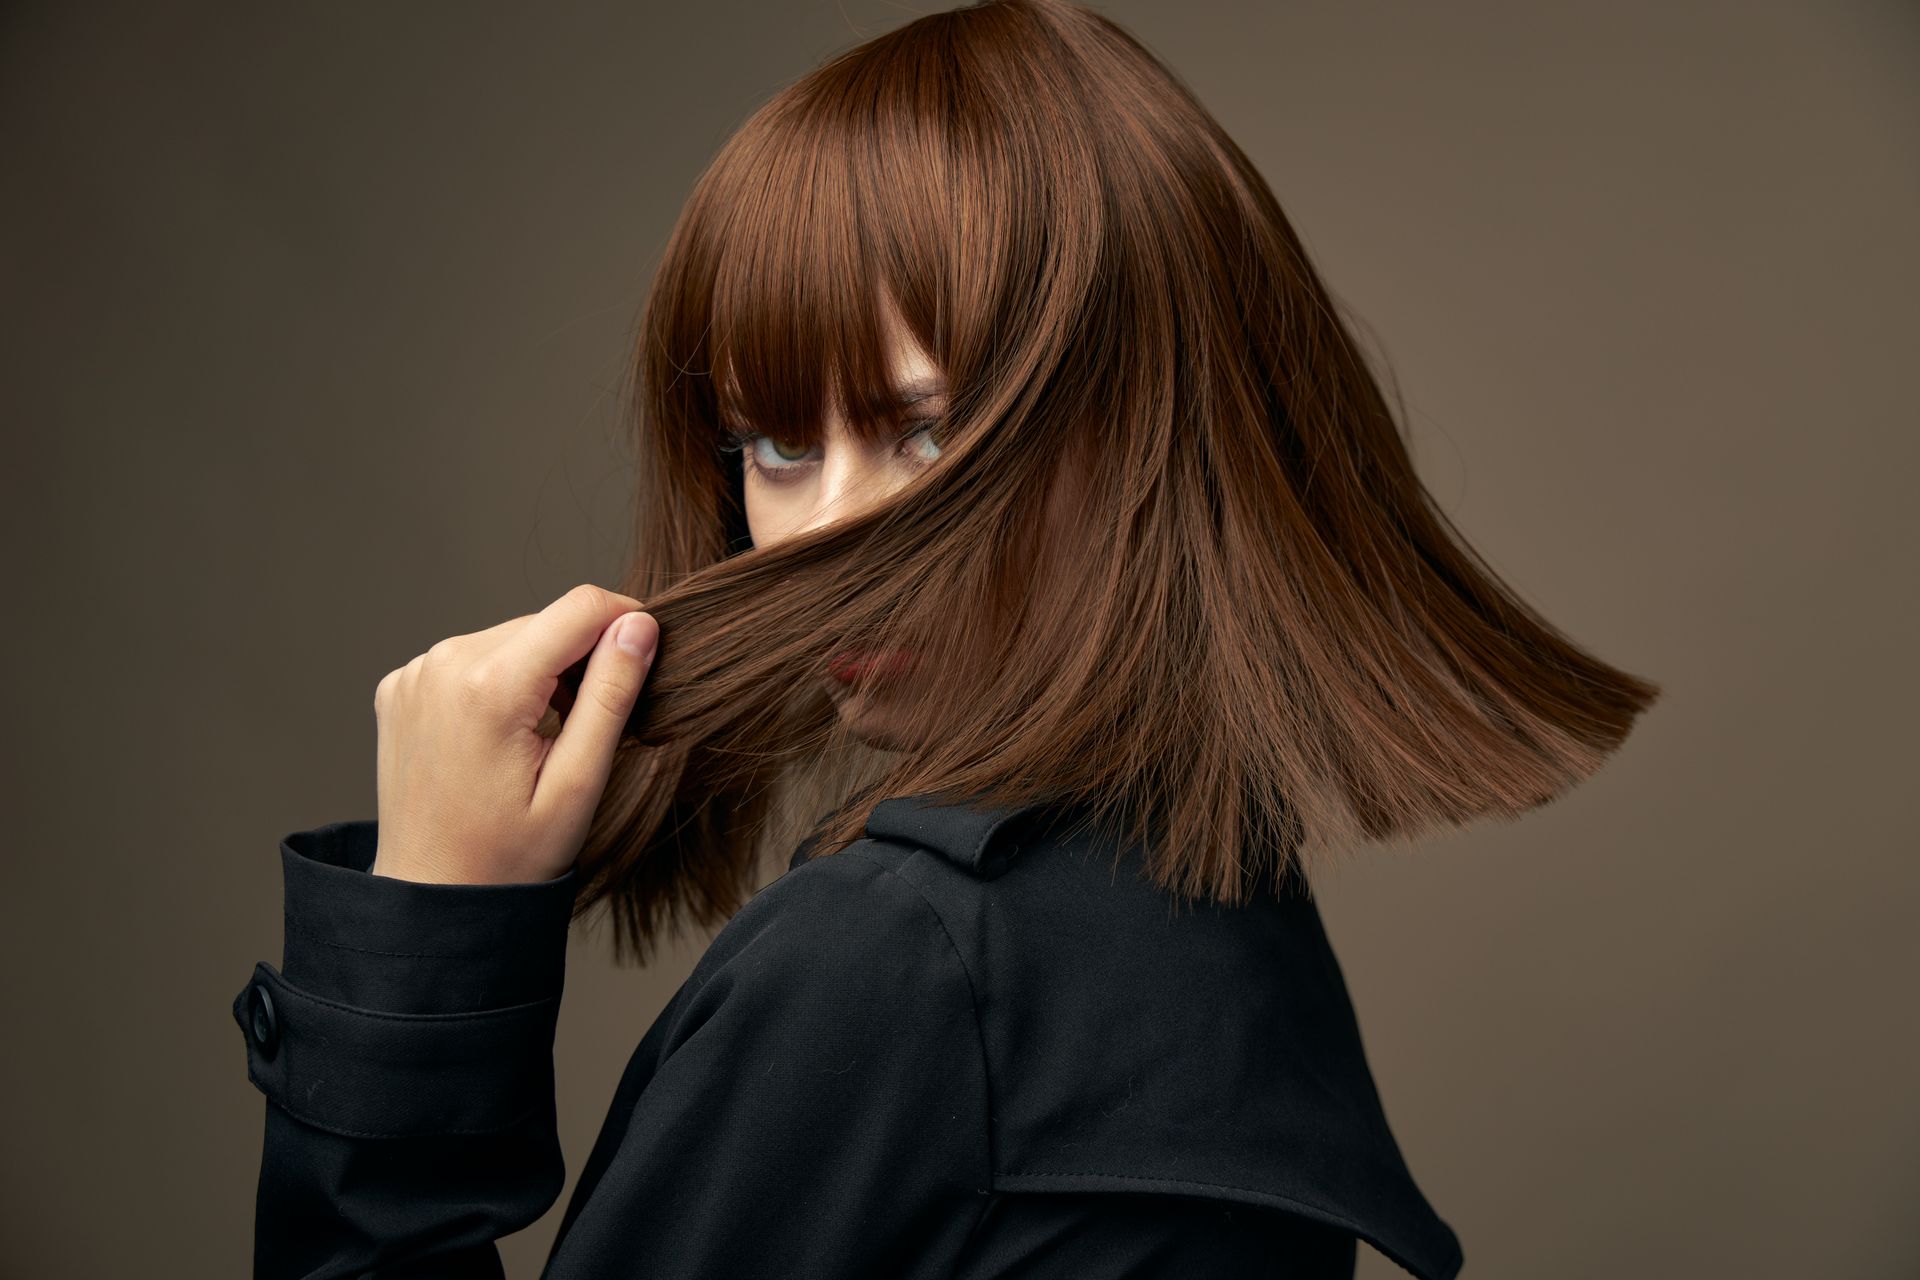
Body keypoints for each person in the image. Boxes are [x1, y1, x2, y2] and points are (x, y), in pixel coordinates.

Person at [230, 1, 1661, 1276]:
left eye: (934, 430)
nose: (834, 541)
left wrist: (412, 948)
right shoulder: (1216, 910)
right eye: (779, 441)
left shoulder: (896, 967)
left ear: (1159, 436)